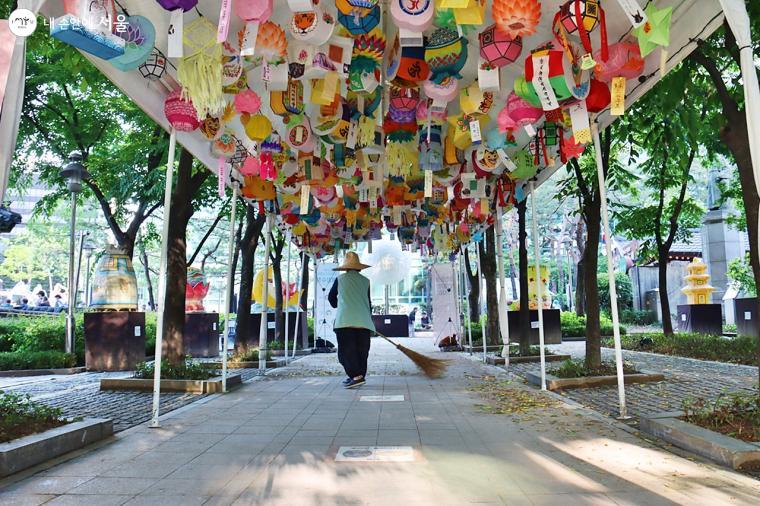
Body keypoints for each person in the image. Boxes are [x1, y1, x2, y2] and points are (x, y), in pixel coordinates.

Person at [328, 252, 375, 389]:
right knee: (362, 351)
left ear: (346, 267)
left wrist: (340, 304)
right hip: (364, 322)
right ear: (359, 267)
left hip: (345, 321)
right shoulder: (366, 281)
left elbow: (331, 299)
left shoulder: (340, 280)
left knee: (346, 352)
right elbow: (368, 302)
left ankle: (355, 376)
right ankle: (358, 376)